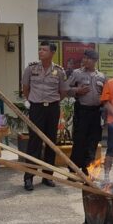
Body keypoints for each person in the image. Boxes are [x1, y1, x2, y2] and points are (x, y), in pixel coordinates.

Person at [21, 42, 67, 191]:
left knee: (51, 142)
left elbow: (63, 91)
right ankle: (29, 177)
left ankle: (48, 176)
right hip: (36, 108)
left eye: (44, 50)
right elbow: (25, 88)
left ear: (52, 52)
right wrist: (33, 102)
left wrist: (52, 102)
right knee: (34, 142)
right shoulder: (31, 68)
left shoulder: (59, 71)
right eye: (39, 49)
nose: (40, 52)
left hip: (52, 108)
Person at [66, 49, 105, 174]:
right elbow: (66, 88)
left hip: (96, 113)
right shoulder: (77, 73)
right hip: (82, 111)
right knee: (79, 140)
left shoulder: (102, 76)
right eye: (84, 58)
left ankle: (88, 168)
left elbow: (105, 95)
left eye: (88, 58)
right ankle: (74, 170)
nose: (85, 60)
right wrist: (77, 90)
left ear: (95, 61)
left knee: (92, 141)